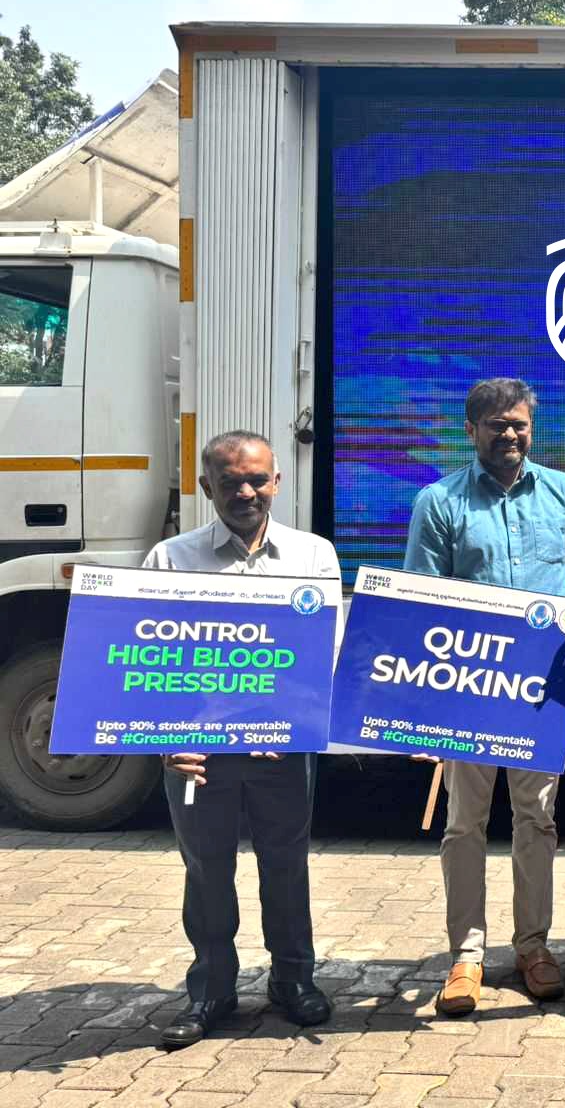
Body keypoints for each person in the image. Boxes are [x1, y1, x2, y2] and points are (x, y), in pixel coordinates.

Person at [404, 378, 565, 1015]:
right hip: (469, 689)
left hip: (543, 691)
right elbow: (421, 595)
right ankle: (466, 957)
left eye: (519, 423)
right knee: (463, 825)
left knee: (537, 820)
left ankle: (533, 947)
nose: (510, 434)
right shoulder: (439, 502)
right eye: (496, 425)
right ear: (471, 430)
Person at [147, 431, 340, 1049]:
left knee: (287, 866)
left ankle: (294, 983)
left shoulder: (314, 557)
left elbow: (323, 656)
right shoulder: (170, 559)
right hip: (197, 754)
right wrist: (164, 740)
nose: (246, 492)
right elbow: (142, 662)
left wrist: (290, 723)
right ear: (207, 488)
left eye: (257, 479)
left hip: (281, 750)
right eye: (230, 482)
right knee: (206, 870)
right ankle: (210, 992)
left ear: (277, 482)